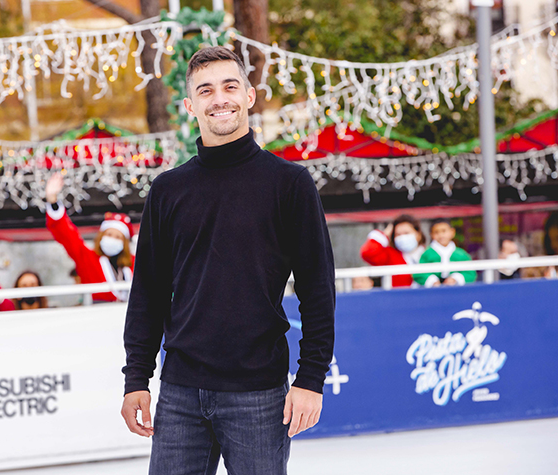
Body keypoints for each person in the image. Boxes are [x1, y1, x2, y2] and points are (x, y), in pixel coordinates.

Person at [121, 46, 335, 475]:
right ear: (190, 106)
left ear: (250, 96)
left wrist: (310, 379)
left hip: (258, 393)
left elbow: (317, 288)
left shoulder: (289, 183)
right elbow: (148, 291)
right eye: (206, 90)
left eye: (229, 86)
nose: (219, 98)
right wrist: (136, 379)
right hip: (180, 390)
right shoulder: (168, 190)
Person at [44, 173, 135, 302]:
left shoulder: (135, 263)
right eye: (109, 234)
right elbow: (67, 235)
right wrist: (52, 200)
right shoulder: (87, 259)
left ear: (124, 242)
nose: (113, 239)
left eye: (118, 237)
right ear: (101, 236)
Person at [360, 214, 426, 287]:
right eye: (398, 234)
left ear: (418, 235)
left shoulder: (429, 252)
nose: (402, 237)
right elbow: (367, 253)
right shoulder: (390, 255)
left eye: (406, 233)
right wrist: (384, 234)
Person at [414, 218, 477, 287]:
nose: (441, 235)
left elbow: (470, 273)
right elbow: (419, 273)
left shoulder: (461, 254)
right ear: (431, 235)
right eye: (436, 232)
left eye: (444, 231)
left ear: (452, 232)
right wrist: (432, 280)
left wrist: (455, 279)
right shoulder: (427, 254)